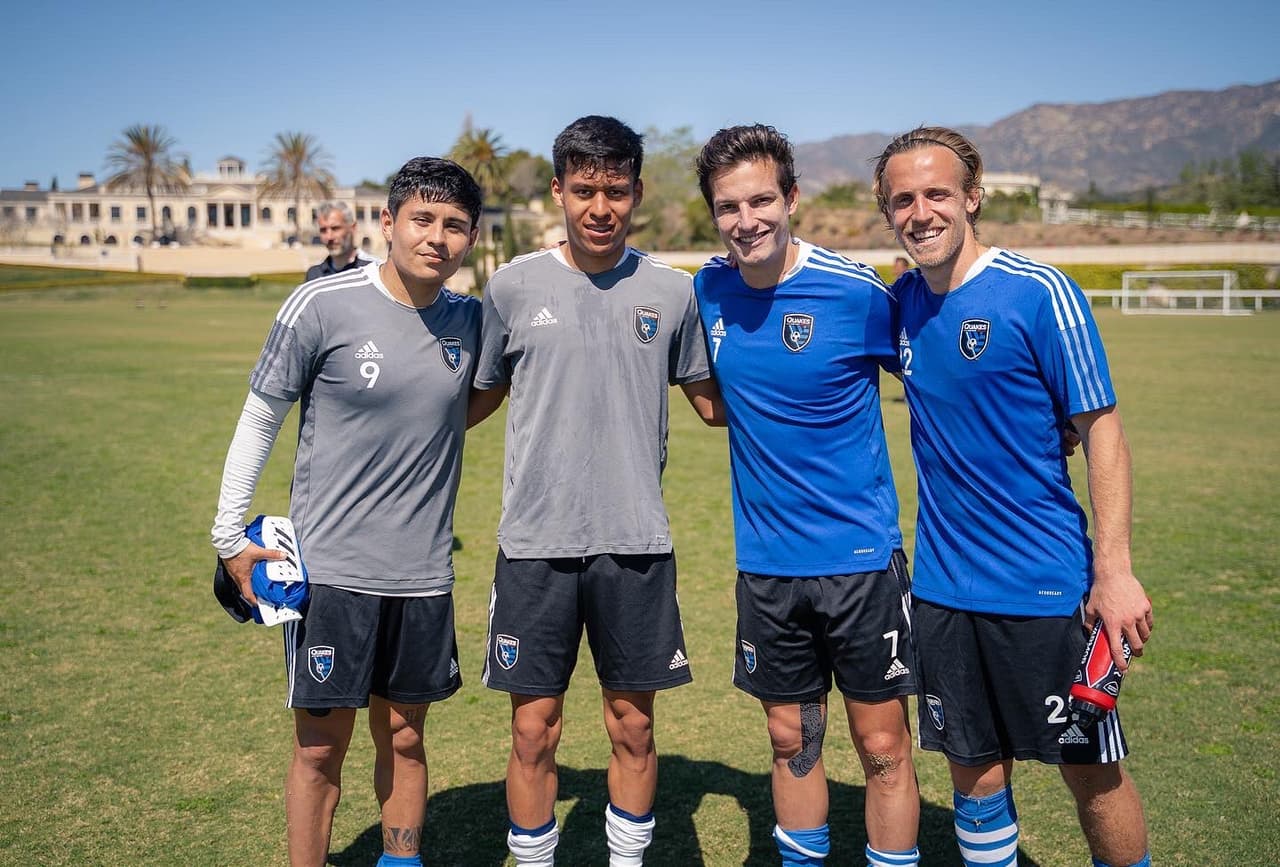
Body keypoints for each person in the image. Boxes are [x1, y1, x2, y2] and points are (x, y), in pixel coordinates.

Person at [872, 126, 1153, 867]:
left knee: (1091, 773)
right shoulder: (899, 305)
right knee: (975, 775)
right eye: (903, 199)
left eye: (937, 193)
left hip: (1046, 587)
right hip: (942, 593)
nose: (921, 212)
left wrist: (1114, 572)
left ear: (972, 197)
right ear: (887, 211)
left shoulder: (1039, 292)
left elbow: (1102, 432)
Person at [210, 157, 484, 867]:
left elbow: (470, 403)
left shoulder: (471, 322)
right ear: (387, 223)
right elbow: (260, 418)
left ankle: (401, 859)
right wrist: (228, 536)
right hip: (330, 576)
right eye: (422, 219)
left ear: (472, 238)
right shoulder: (321, 304)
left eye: (455, 225)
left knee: (406, 738)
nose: (437, 237)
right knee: (318, 748)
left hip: (422, 577)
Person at [468, 114, 720, 866]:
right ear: (558, 191)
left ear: (637, 192)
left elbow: (715, 406)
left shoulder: (673, 292)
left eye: (615, 190)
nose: (600, 207)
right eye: (584, 190)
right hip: (535, 546)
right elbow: (467, 401)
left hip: (635, 543)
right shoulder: (511, 287)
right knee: (532, 730)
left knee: (632, 727)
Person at [692, 124, 920, 867]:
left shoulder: (857, 292)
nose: (746, 220)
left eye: (761, 200)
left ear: (791, 198)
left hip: (860, 562)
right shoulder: (707, 289)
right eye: (729, 207)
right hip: (767, 567)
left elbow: (937, 380)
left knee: (882, 744)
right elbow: (713, 401)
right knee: (791, 738)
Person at [305, 201, 376, 281]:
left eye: (335, 228)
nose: (329, 237)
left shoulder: (374, 269)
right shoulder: (314, 275)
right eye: (323, 230)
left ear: (353, 228)